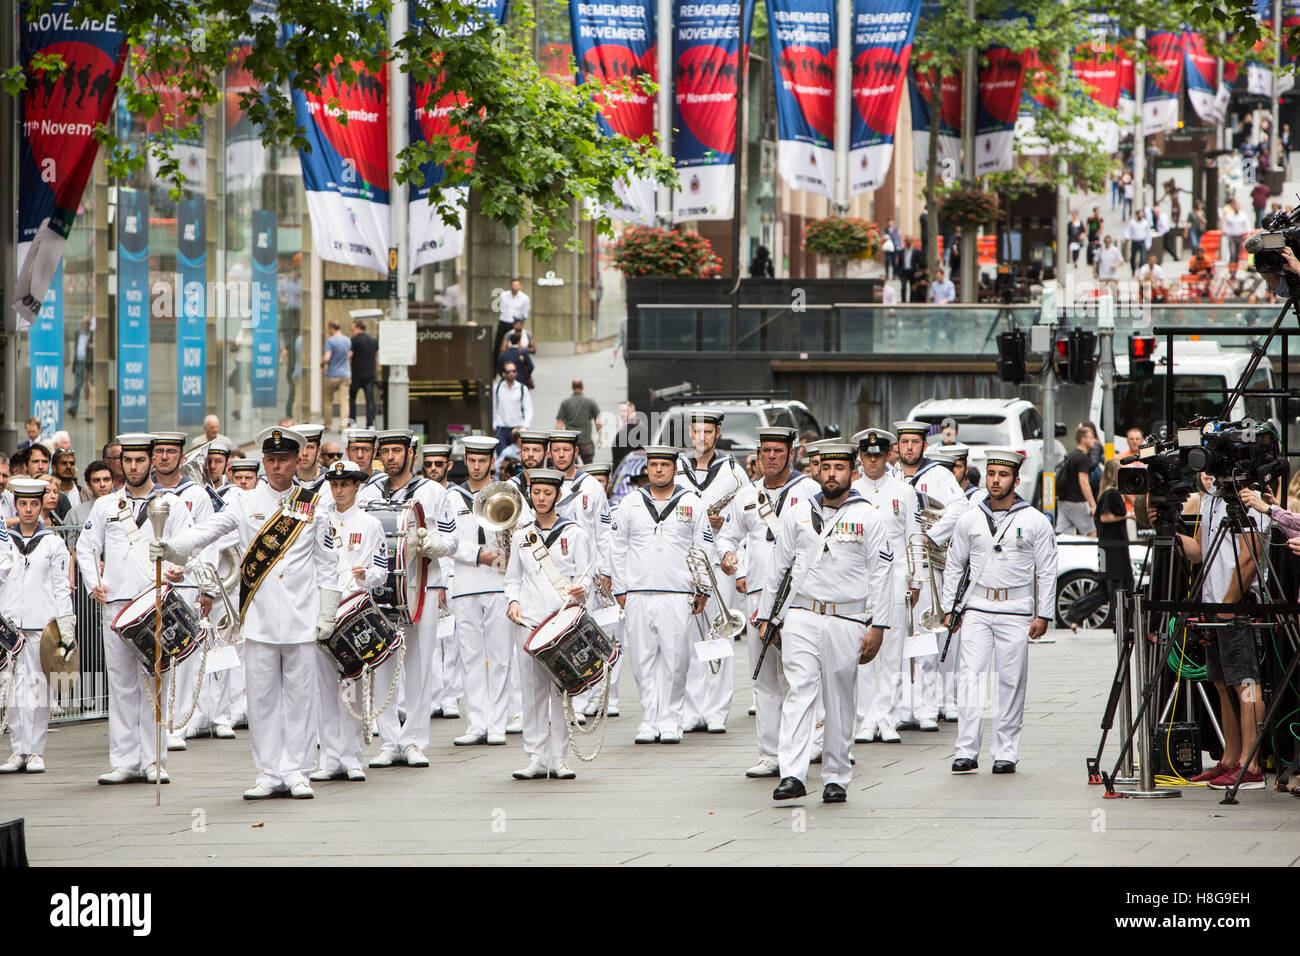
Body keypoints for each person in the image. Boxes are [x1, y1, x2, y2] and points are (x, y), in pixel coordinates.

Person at [151, 427, 338, 800]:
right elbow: (210, 529)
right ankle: (268, 771)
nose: (276, 466)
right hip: (260, 615)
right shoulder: (243, 500)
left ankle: (297, 770)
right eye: (270, 459)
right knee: (262, 697)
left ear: (297, 460)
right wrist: (174, 547)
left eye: (283, 459)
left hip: (301, 615)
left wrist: (327, 612)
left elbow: (327, 562)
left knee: (301, 696)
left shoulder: (313, 504)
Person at [759, 443, 891, 804]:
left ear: (853, 472)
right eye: (826, 467)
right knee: (800, 690)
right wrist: (766, 615)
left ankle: (835, 775)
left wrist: (878, 625)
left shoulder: (869, 516)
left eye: (840, 467)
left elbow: (882, 574)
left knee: (838, 697)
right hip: (801, 614)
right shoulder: (799, 512)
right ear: (817, 471)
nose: (832, 473)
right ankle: (792, 773)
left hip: (846, 616)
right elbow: (778, 566)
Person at [76, 433, 194, 785]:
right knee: (123, 685)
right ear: (120, 463)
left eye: (140, 460)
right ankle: (124, 760)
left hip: (154, 602)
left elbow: (187, 544)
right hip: (116, 605)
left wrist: (178, 566)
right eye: (127, 461)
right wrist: (92, 581)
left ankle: (154, 759)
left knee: (155, 682)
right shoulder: (106, 506)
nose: (133, 466)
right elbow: (85, 546)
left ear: (151, 462)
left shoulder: (169, 502)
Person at [944, 450, 1057, 774]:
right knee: (970, 678)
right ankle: (965, 750)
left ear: (1016, 480)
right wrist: (951, 608)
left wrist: (1044, 614)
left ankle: (1005, 751)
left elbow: (1047, 570)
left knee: (1011, 681)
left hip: (1015, 609)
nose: (995, 480)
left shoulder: (1034, 520)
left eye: (1003, 475)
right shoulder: (970, 518)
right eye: (991, 473)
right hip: (977, 607)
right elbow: (954, 564)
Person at [717, 427, 820, 776]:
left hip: (798, 594)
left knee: (797, 673)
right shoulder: (747, 494)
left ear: (791, 453)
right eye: (766, 451)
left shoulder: (808, 490)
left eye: (778, 450)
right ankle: (770, 753)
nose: (771, 456)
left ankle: (808, 746)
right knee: (763, 676)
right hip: (759, 595)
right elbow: (727, 535)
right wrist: (730, 557)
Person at [357, 430, 456, 768]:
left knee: (419, 663)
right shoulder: (368, 492)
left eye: (397, 451)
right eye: (386, 452)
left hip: (422, 584)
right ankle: (388, 740)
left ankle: (414, 739)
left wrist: (435, 545)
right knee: (382, 662)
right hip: (381, 589)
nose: (391, 457)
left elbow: (452, 537)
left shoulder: (432, 491)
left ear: (411, 453)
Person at [611, 445, 711, 744]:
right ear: (647, 468)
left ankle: (671, 719)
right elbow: (617, 548)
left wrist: (703, 587)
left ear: (674, 468)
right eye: (653, 465)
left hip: (677, 592)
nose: (658, 470)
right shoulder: (630, 502)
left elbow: (702, 547)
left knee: (676, 660)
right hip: (638, 592)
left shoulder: (692, 502)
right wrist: (620, 588)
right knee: (642, 662)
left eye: (664, 465)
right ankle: (649, 719)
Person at [1177, 484, 1270, 791]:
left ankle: (1250, 764)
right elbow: (1200, 551)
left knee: (1245, 682)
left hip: (1239, 605)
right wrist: (1166, 531)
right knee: (1221, 682)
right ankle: (1230, 758)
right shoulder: (1211, 500)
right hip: (1214, 604)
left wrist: (1230, 604)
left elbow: (1250, 556)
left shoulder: (1249, 495)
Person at [504, 468, 593, 780]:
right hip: (528, 623)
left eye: (547, 493)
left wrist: (584, 590)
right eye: (536, 492)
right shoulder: (520, 536)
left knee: (561, 691)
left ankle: (560, 758)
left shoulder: (574, 534)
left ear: (557, 494)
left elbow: (587, 576)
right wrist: (512, 602)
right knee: (531, 693)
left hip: (561, 625)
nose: (541, 498)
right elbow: (512, 579)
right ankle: (536, 758)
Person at [441, 436, 529, 746]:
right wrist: (479, 554)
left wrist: (510, 550)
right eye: (472, 460)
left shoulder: (510, 491)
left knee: (501, 656)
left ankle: (498, 724)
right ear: (466, 460)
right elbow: (446, 541)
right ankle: (476, 722)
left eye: (482, 461)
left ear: (492, 462)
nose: (477, 466)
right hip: (466, 585)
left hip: (499, 585)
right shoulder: (452, 497)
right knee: (470, 656)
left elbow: (526, 531)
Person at [309, 459, 389, 783]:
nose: (338, 490)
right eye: (334, 484)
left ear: (357, 486)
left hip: (353, 608)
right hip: (323, 609)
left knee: (352, 685)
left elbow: (381, 571)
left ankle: (353, 756)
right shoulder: (319, 520)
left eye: (345, 484)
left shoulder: (370, 524)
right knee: (324, 688)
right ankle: (329, 757)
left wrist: (366, 575)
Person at [893, 422, 971, 729]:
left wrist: (930, 536)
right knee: (899, 640)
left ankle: (926, 709)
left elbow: (959, 506)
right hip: (899, 568)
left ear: (924, 446)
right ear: (896, 447)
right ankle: (902, 707)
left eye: (915, 442)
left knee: (925, 639)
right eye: (904, 442)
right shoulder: (890, 477)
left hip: (927, 567)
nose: (909, 447)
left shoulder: (938, 474)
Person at [677, 412, 748, 734]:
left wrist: (724, 524)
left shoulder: (733, 472)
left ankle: (717, 710)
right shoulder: (677, 470)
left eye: (707, 431)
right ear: (690, 433)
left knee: (720, 631)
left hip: (721, 561)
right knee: (689, 637)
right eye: (696, 431)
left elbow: (746, 518)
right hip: (687, 564)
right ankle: (692, 709)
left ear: (717, 432)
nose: (701, 437)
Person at [848, 429, 919, 747]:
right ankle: (865, 718)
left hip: (894, 579)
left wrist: (916, 580)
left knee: (892, 652)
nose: (873, 460)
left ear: (888, 454)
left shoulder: (903, 491)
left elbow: (913, 538)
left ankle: (887, 717)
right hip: (857, 581)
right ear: (860, 457)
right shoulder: (851, 490)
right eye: (867, 455)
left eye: (878, 454)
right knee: (862, 651)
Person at [0, 478, 74, 775]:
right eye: (22, 504)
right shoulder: (5, 541)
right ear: (15, 505)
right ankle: (19, 750)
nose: (28, 510)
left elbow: (60, 587)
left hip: (42, 625)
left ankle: (36, 751)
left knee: (40, 688)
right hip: (10, 627)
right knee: (13, 692)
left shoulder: (53, 542)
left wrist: (65, 626)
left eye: (33, 504)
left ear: (41, 505)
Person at [1094, 459, 1132, 623]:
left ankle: (1075, 614)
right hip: (1114, 548)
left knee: (1106, 586)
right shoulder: (1112, 494)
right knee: (1118, 586)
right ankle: (1120, 620)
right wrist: (1126, 516)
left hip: (1108, 546)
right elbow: (1105, 517)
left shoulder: (1106, 493)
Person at [1057, 425, 1097, 535]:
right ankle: (1092, 553)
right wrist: (1093, 504)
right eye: (1092, 437)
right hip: (1077, 501)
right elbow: (1083, 482)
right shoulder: (1083, 458)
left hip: (1063, 501)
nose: (1094, 440)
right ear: (1083, 440)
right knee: (1091, 533)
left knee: (1063, 536)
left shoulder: (1071, 455)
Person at [555, 379, 602, 464]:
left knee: (571, 467)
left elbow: (559, 423)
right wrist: (600, 438)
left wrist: (556, 440)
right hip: (586, 441)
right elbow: (598, 422)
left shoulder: (566, 403)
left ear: (572, 387)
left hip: (571, 441)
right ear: (583, 387)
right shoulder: (591, 402)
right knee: (588, 467)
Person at [492, 362, 533, 454]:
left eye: (514, 371)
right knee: (502, 458)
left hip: (517, 429)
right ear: (503, 373)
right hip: (501, 430)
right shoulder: (497, 388)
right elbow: (494, 408)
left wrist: (525, 427)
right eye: (509, 371)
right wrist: (494, 425)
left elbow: (528, 409)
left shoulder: (522, 388)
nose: (512, 373)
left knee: (518, 457)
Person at [320, 322, 352, 431]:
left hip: (332, 374)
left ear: (332, 328)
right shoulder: (347, 340)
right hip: (345, 374)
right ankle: (343, 425)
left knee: (328, 400)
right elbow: (349, 355)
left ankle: (328, 424)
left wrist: (322, 363)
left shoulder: (330, 341)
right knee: (344, 401)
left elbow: (327, 357)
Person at [349, 318, 379, 429]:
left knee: (352, 397)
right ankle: (370, 423)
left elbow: (349, 355)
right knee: (370, 399)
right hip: (370, 374)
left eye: (353, 328)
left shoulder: (354, 340)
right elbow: (377, 357)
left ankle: (353, 422)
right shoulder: (373, 341)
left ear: (357, 328)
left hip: (357, 374)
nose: (352, 331)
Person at [496, 278, 531, 356]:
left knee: (513, 345)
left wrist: (519, 325)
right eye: (513, 285)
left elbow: (525, 314)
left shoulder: (525, 298)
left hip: (514, 324)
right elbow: (502, 308)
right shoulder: (504, 295)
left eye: (516, 285)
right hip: (503, 322)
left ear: (520, 286)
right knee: (498, 344)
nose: (515, 287)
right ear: (510, 286)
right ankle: (496, 366)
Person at [66, 317, 92, 418]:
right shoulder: (78, 334)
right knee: (77, 386)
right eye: (84, 323)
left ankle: (90, 413)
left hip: (88, 364)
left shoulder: (92, 335)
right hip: (79, 363)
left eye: (87, 323)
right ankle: (73, 407)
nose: (85, 325)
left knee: (88, 388)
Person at [1223, 199, 1251, 264]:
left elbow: (1247, 225)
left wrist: (1248, 233)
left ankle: (1235, 267)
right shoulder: (1229, 215)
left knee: (1237, 254)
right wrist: (1226, 232)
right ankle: (1231, 268)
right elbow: (1225, 225)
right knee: (1232, 253)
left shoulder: (1243, 215)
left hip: (1240, 236)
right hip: (1232, 236)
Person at [1123, 208, 1151, 275]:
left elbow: (1148, 233)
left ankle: (1141, 271)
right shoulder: (1132, 223)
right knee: (1133, 257)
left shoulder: (1145, 222)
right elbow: (1128, 231)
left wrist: (1148, 243)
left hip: (1142, 241)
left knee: (1143, 258)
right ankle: (1133, 269)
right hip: (1135, 241)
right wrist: (1128, 237)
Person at [898, 238, 923, 303]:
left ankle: (912, 301)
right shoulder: (902, 251)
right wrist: (898, 273)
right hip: (904, 271)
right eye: (906, 241)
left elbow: (919, 262)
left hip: (912, 272)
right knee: (903, 287)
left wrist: (918, 272)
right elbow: (899, 263)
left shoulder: (916, 251)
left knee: (913, 287)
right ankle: (903, 301)